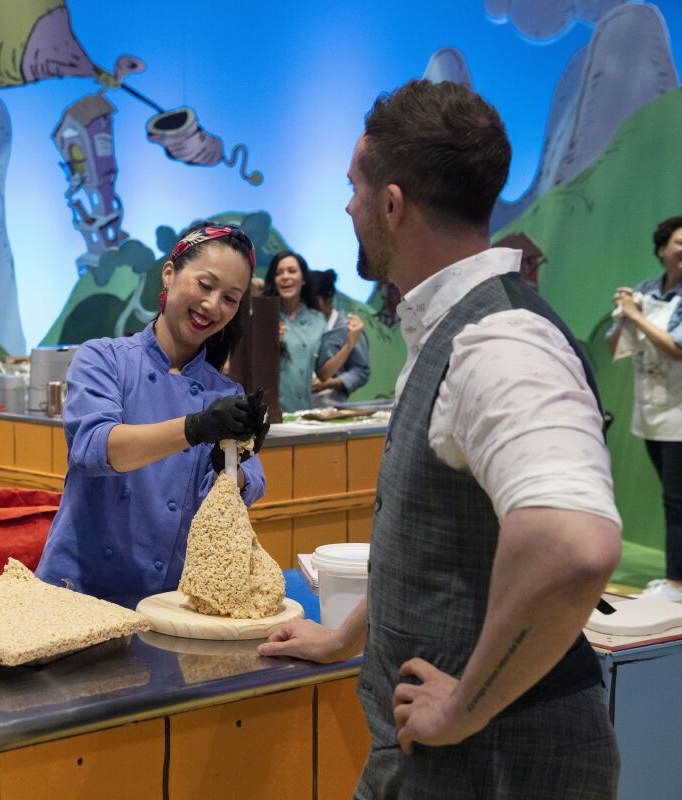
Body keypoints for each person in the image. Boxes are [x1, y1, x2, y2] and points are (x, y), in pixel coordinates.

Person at [260, 79, 622, 798]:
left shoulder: (501, 341)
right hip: (441, 753)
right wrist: (345, 637)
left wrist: (463, 708)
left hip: (496, 762)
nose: (348, 207)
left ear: (393, 205)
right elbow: (442, 551)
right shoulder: (454, 333)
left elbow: (573, 547)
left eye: (354, 187)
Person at [35, 222, 270, 604]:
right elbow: (96, 448)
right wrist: (195, 428)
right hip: (76, 595)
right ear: (169, 273)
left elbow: (247, 486)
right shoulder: (103, 358)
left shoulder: (226, 392)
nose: (213, 305)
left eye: (230, 298)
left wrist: (231, 468)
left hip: (168, 603)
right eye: (205, 285)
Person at [607, 215, 682, 602]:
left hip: (679, 414)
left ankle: (676, 584)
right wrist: (624, 315)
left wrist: (636, 316)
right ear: (662, 249)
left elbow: (678, 349)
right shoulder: (646, 290)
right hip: (652, 410)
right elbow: (614, 346)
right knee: (672, 497)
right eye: (680, 243)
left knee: (676, 500)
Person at [262, 251, 325, 411]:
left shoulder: (317, 319)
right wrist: (270, 342)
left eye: (292, 271)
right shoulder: (262, 316)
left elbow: (323, 371)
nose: (285, 277)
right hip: (269, 413)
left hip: (304, 412)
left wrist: (349, 344)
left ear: (303, 278)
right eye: (278, 273)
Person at [309, 269, 371, 406]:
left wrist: (331, 383)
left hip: (332, 406)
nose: (310, 308)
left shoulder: (348, 327)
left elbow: (361, 371)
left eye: (313, 302)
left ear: (328, 297)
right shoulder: (299, 325)